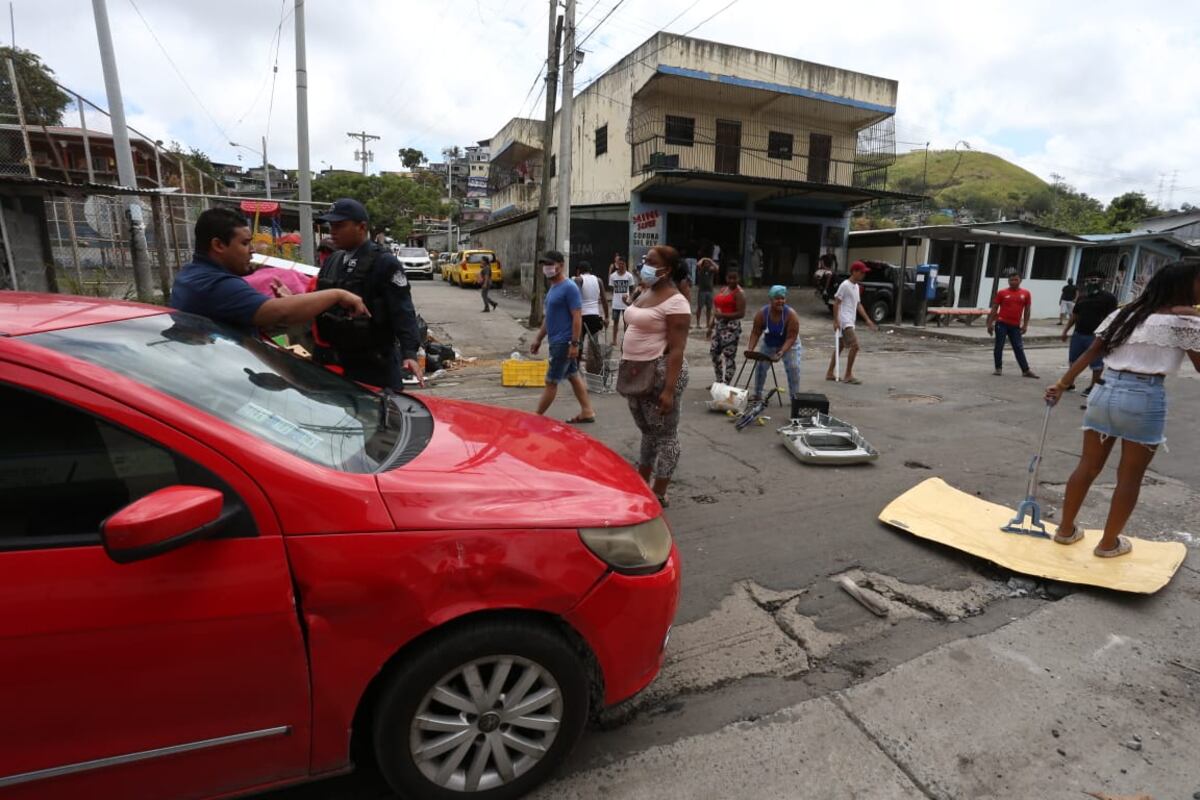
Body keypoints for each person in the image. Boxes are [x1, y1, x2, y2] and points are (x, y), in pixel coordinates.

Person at [1045, 260, 1200, 559]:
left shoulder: (1123, 314)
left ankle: (1065, 531)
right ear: (1183, 285)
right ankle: (1108, 544)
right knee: (1129, 477)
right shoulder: (1185, 322)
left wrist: (1062, 385)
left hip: (1104, 391)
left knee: (1087, 467)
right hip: (1144, 398)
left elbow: (1093, 352)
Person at [170, 207, 368, 338]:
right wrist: (337, 295)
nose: (252, 250)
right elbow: (281, 312)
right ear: (219, 245)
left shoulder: (189, 275)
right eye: (245, 243)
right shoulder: (216, 285)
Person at [312, 198, 424, 389]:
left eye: (340, 225)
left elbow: (402, 310)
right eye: (331, 225)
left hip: (374, 366)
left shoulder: (383, 262)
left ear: (361, 227)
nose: (333, 231)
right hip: (335, 362)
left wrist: (410, 354)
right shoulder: (333, 260)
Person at [620, 245, 691, 507]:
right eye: (644, 260)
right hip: (636, 373)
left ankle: (659, 492)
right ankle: (642, 482)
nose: (643, 265)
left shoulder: (677, 302)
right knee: (648, 433)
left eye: (650, 261)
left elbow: (677, 350)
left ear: (667, 269)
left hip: (661, 375)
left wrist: (669, 390)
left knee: (666, 436)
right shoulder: (645, 291)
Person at [531, 250, 596, 423]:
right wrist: (538, 338)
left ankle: (535, 416)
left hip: (564, 343)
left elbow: (577, 316)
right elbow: (549, 318)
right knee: (573, 376)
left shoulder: (569, 287)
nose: (547, 268)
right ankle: (587, 411)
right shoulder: (553, 288)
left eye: (551, 264)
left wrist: (574, 343)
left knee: (551, 382)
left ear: (561, 265)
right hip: (557, 341)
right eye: (545, 265)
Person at [1061, 272, 1119, 401]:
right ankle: (1070, 383)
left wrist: (1109, 335)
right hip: (1079, 333)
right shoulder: (1082, 298)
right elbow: (1074, 315)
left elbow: (1113, 318)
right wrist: (1065, 330)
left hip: (1096, 336)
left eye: (1094, 280)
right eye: (1089, 280)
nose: (1091, 283)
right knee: (1073, 360)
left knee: (1096, 363)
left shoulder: (1109, 298)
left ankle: (1093, 385)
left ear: (1103, 281)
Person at [745, 285, 802, 403]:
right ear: (770, 300)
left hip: (789, 343)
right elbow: (756, 332)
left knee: (793, 367)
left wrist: (781, 351)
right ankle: (758, 394)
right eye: (777, 298)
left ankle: (795, 398)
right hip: (769, 342)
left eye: (782, 298)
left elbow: (791, 337)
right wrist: (750, 348)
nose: (780, 301)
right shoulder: (762, 314)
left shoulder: (791, 315)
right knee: (760, 366)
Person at [826, 261, 877, 383]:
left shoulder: (856, 287)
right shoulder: (845, 285)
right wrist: (836, 321)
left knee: (840, 346)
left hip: (850, 320)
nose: (863, 275)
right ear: (854, 271)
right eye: (861, 272)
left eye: (864, 273)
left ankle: (829, 373)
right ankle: (848, 374)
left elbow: (858, 305)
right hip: (844, 321)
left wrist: (867, 320)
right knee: (855, 346)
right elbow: (836, 303)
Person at [988, 270, 1039, 379]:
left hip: (1015, 325)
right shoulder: (1002, 293)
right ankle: (998, 368)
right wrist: (990, 323)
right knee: (999, 346)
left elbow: (1027, 310)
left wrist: (1025, 325)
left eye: (1016, 279)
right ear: (1008, 281)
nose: (1013, 282)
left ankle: (1025, 370)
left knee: (1018, 347)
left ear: (1020, 280)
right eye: (1011, 280)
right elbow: (995, 307)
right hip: (1001, 323)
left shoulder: (1026, 293)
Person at [707, 270, 746, 385]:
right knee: (714, 352)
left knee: (729, 356)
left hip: (731, 328)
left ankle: (726, 382)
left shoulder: (739, 293)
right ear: (726, 278)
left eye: (735, 278)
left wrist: (722, 316)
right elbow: (717, 311)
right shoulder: (723, 290)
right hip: (719, 325)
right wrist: (710, 327)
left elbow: (741, 313)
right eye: (730, 278)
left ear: (738, 279)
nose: (732, 281)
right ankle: (719, 380)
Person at [574, 260, 609, 372]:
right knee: (595, 344)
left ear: (579, 271)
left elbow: (577, 299)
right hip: (594, 316)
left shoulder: (578, 279)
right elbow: (604, 300)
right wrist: (607, 317)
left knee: (579, 343)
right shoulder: (598, 280)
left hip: (582, 316)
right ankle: (599, 368)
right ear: (590, 270)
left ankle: (576, 368)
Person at [608, 256, 635, 346]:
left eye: (623, 264)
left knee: (626, 322)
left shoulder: (629, 276)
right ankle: (614, 340)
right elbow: (611, 289)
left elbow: (632, 289)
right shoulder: (613, 276)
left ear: (625, 264)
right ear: (617, 265)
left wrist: (630, 299)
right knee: (615, 322)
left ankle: (626, 340)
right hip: (616, 303)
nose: (621, 265)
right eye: (619, 264)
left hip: (626, 303)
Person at [694, 245, 719, 329]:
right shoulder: (701, 271)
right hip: (702, 291)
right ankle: (698, 323)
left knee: (709, 308)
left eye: (708, 263)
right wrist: (704, 259)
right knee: (700, 307)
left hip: (710, 291)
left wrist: (710, 260)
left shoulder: (711, 271)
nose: (707, 264)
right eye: (706, 263)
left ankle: (708, 323)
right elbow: (698, 264)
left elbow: (717, 268)